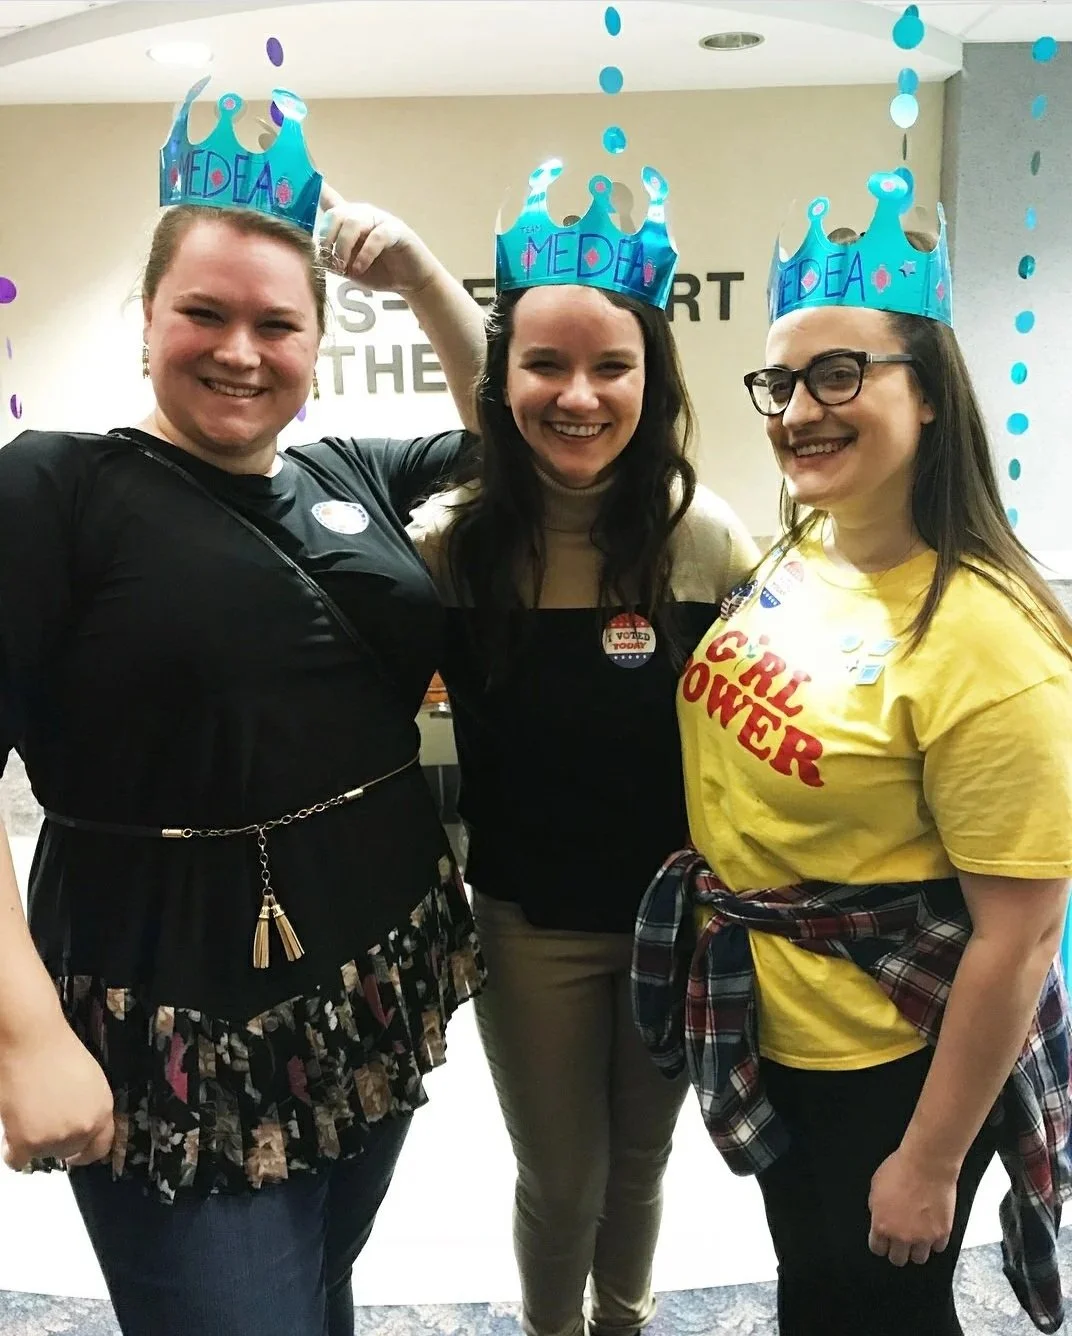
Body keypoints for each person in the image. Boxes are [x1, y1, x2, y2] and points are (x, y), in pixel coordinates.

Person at [0, 91, 490, 1335]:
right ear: (147, 323)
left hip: (372, 980)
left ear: (318, 342)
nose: (238, 349)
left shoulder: (350, 472)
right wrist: (23, 1035)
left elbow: (520, 451)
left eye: (277, 324)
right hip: (170, 1016)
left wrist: (429, 280)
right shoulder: (55, 485)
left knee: (322, 1284)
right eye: (203, 314)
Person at [632, 169, 1072, 1336]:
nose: (796, 409)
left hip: (890, 1056)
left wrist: (928, 1159)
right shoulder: (804, 545)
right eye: (780, 380)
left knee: (875, 1310)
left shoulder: (988, 641)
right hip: (780, 1014)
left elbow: (1020, 933)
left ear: (927, 395)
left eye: (840, 374)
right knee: (820, 1294)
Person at [408, 159, 757, 1336]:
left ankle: (627, 1323)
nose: (578, 393)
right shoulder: (452, 548)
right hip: (526, 921)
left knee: (644, 1162)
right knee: (561, 1181)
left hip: (674, 917)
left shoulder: (700, 538)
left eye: (611, 365)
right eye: (543, 363)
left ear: (651, 379)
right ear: (497, 377)